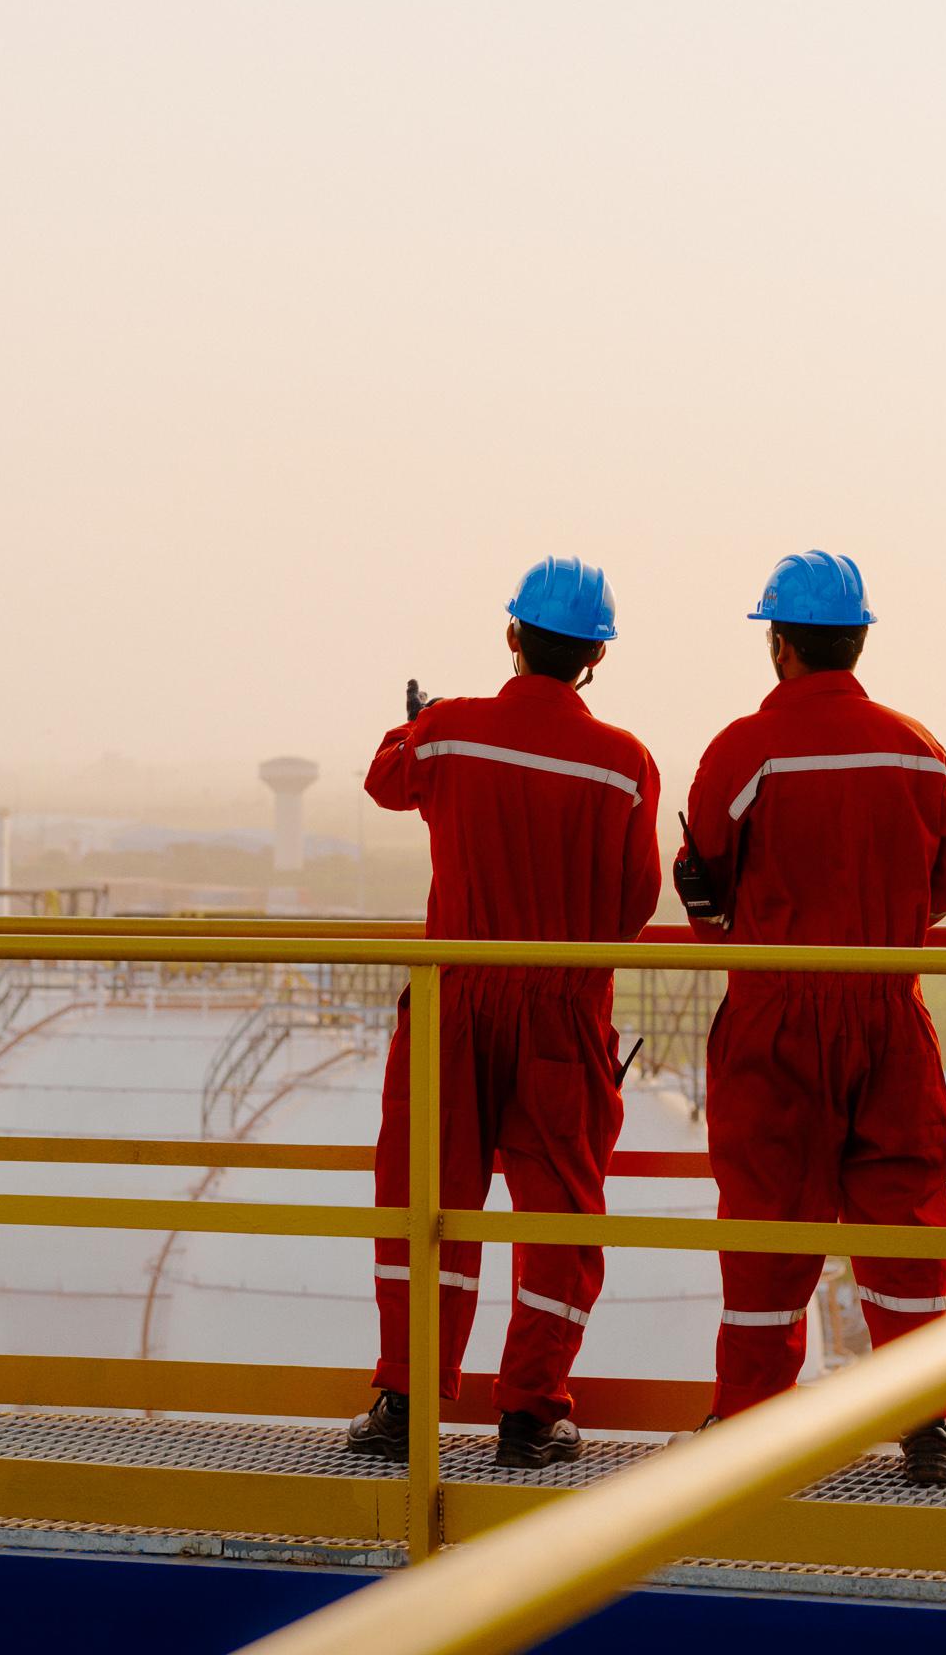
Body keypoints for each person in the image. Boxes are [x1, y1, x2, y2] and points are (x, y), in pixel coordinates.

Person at [346, 554, 663, 1470]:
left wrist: (415, 723)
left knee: (425, 1202)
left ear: (513, 636)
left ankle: (406, 1405)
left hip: (454, 1001)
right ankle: (529, 1415)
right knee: (559, 1214)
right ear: (595, 659)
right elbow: (634, 904)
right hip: (562, 1004)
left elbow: (384, 781)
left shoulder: (448, 733)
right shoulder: (624, 764)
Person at [676, 550, 946, 1484]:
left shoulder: (740, 751)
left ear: (780, 645)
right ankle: (924, 1426)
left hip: (776, 1013)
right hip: (889, 1008)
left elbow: (707, 874)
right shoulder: (914, 746)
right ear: (857, 641)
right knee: (902, 1220)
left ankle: (750, 1428)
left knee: (768, 1221)